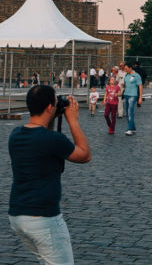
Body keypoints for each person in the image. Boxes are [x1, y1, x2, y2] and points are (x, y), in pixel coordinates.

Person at [8, 85, 91, 263]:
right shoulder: (53, 140)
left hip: (18, 216)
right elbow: (84, 155)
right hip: (43, 219)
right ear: (48, 107)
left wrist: (54, 115)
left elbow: (42, 138)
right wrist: (73, 121)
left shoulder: (15, 135)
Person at [123, 61, 143, 136]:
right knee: (127, 113)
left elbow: (140, 86)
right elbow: (126, 84)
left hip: (133, 95)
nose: (125, 70)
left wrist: (140, 97)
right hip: (126, 95)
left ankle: (130, 129)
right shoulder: (126, 75)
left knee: (130, 112)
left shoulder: (136, 75)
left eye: (126, 68)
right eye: (125, 69)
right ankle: (133, 128)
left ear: (130, 68)